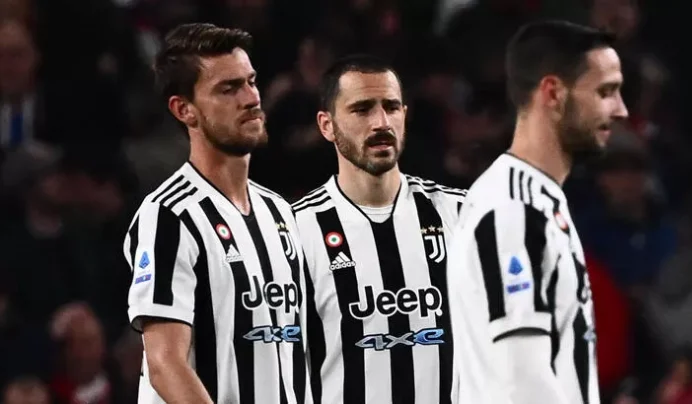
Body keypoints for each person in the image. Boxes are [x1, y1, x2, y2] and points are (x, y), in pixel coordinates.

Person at [123, 23, 310, 404]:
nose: (251, 98)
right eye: (229, 88)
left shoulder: (279, 213)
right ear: (184, 110)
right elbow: (165, 363)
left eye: (251, 82)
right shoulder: (169, 215)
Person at [447, 20, 628, 404]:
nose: (621, 110)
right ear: (553, 93)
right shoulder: (514, 208)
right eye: (606, 92)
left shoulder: (536, 199)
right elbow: (521, 380)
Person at [292, 54, 466, 404]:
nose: (382, 122)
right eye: (362, 109)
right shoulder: (295, 230)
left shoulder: (461, 214)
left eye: (391, 107)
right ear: (327, 125)